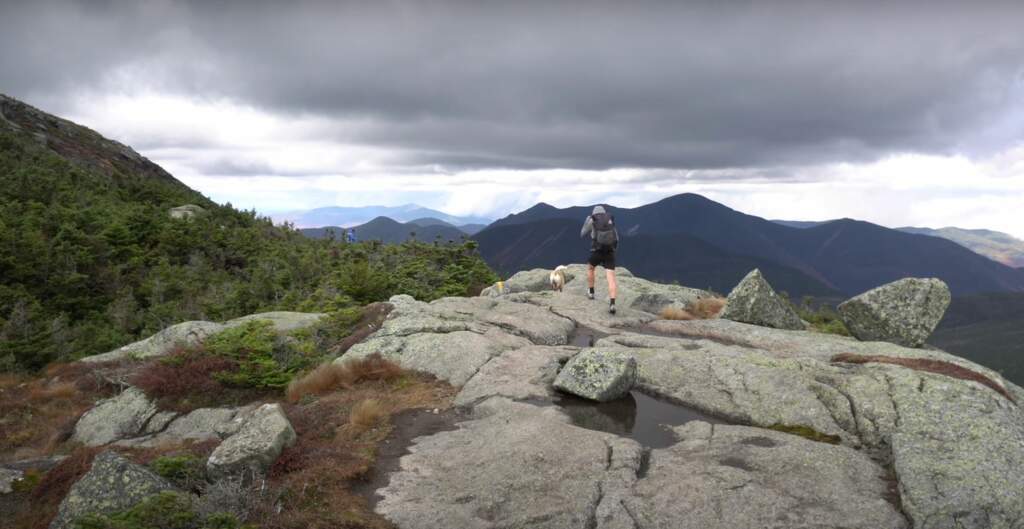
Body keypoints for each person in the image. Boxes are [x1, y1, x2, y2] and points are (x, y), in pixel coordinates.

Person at [580, 205, 619, 314]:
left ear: (594, 213)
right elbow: (617, 238)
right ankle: (612, 304)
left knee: (590, 268)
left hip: (597, 251)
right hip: (610, 252)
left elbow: (582, 233)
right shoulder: (609, 220)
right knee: (611, 277)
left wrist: (587, 221)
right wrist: (613, 250)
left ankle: (591, 292)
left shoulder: (593, 220)